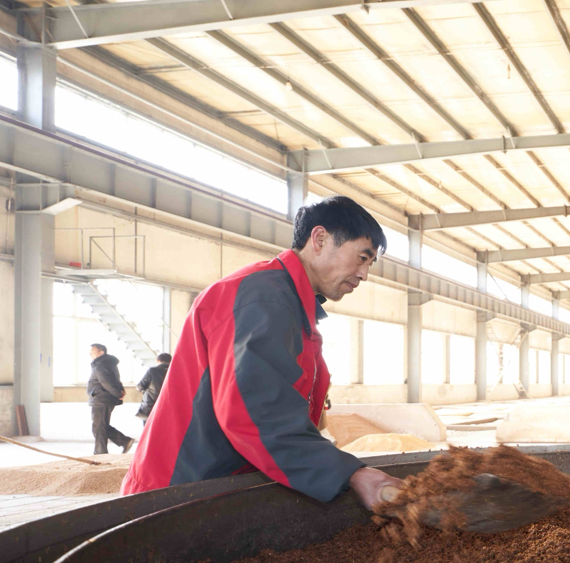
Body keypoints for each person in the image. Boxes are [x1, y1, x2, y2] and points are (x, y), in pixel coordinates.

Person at [121, 196, 403, 508]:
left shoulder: (290, 304)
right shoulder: (263, 299)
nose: (364, 274)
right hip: (177, 493)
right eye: (362, 258)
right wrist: (350, 474)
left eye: (369, 264)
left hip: (217, 485)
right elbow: (255, 413)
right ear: (320, 239)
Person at [88, 344, 133, 454]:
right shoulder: (108, 364)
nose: (90, 354)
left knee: (99, 428)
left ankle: (100, 453)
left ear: (101, 352)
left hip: (101, 398)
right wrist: (120, 391)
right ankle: (124, 441)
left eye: (93, 351)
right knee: (101, 426)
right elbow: (115, 379)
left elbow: (106, 382)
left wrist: (118, 393)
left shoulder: (100, 365)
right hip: (103, 398)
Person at [136, 353, 172, 421]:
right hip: (170, 405)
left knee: (149, 428)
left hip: (151, 404)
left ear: (157, 360)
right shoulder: (176, 370)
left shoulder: (153, 370)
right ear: (171, 360)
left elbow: (140, 387)